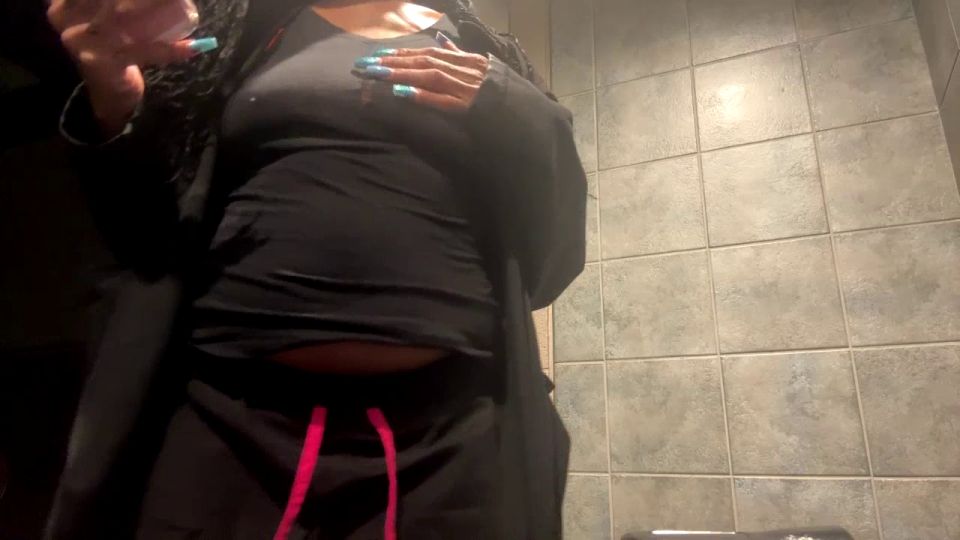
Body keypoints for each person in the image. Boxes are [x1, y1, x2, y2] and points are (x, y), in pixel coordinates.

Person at [44, 0, 587, 538]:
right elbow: (139, 235)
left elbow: (551, 263)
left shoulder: (481, 52)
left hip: (448, 447)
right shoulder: (231, 39)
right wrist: (116, 98)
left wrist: (511, 103)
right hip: (230, 431)